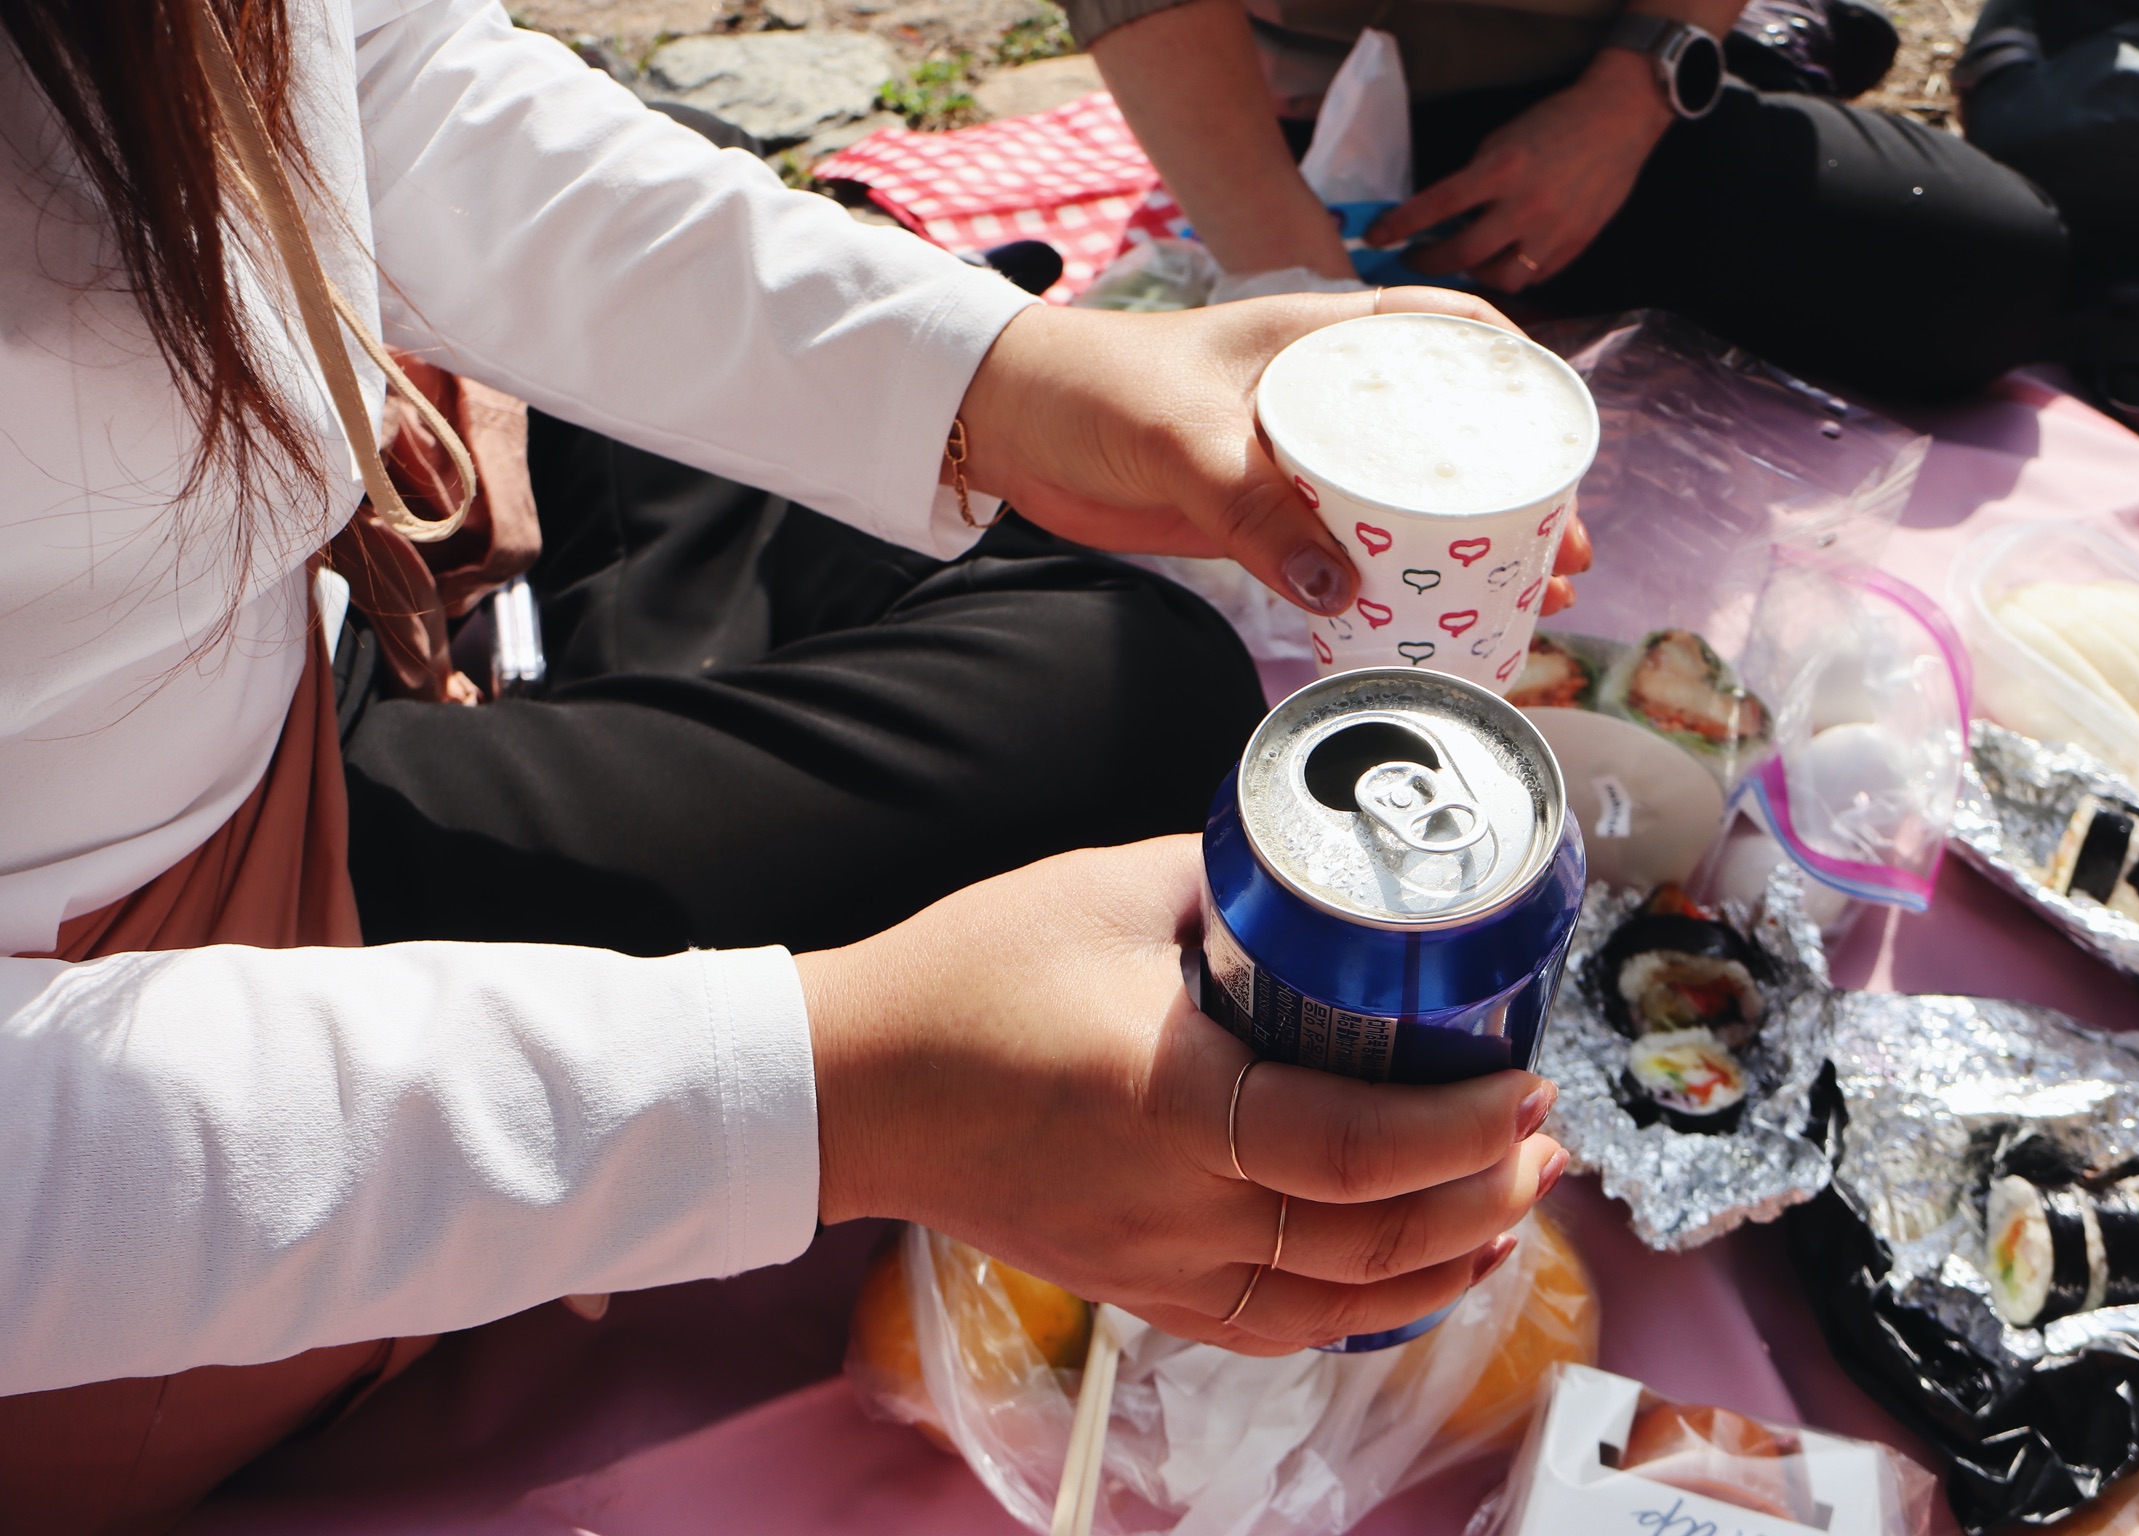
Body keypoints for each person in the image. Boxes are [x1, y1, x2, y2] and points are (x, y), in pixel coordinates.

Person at [0, 0, 1583, 1529]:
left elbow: (357, 81)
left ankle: (621, 667)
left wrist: (1005, 380)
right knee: (1129, 692)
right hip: (160, 1091)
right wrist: (837, 1093)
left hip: (286, 673)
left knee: (695, 165)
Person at [1074, 0, 2074, 397]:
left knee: (1987, 277)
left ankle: (1755, 34)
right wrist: (1297, 286)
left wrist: (1629, 100)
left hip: (1610, 54)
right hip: (1325, 93)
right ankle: (1781, 42)